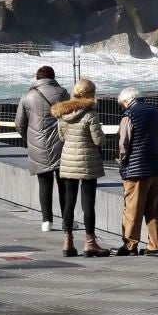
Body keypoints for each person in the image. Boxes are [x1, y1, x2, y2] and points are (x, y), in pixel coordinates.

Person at [51, 78, 109, 258]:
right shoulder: (90, 114)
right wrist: (103, 137)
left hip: (68, 162)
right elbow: (98, 140)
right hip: (87, 163)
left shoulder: (63, 112)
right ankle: (90, 243)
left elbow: (62, 137)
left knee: (69, 202)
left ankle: (67, 242)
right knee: (88, 204)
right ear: (91, 94)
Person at [115, 87, 158, 257]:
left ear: (126, 102)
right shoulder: (155, 112)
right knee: (154, 209)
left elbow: (123, 144)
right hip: (157, 167)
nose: (122, 108)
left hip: (136, 169)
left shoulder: (129, 115)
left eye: (121, 105)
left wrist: (121, 161)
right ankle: (155, 246)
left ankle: (130, 245)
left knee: (133, 209)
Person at [15, 66, 70, 232]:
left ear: (37, 78)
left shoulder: (27, 96)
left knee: (44, 183)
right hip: (61, 144)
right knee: (64, 183)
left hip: (38, 147)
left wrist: (30, 139)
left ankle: (47, 221)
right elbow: (71, 118)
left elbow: (19, 124)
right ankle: (67, 220)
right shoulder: (62, 93)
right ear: (53, 77)